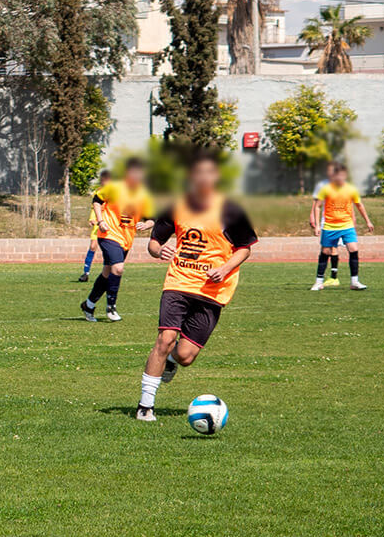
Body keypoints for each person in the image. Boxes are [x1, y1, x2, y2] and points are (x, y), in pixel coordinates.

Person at [134, 150, 257, 422]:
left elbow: (245, 249)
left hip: (213, 290)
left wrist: (224, 268)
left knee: (186, 355)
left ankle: (169, 363)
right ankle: (145, 406)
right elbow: (154, 242)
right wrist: (158, 251)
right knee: (165, 339)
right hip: (179, 282)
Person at [81, 158, 153, 322]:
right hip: (108, 235)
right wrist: (101, 221)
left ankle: (89, 305)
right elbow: (97, 201)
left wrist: (147, 224)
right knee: (118, 268)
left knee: (108, 272)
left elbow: (151, 217)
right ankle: (111, 307)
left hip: (126, 239)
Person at [311, 162, 373, 291]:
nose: (340, 177)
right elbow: (317, 207)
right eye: (337, 175)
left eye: (342, 175)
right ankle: (318, 281)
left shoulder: (351, 189)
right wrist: (317, 225)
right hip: (329, 226)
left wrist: (368, 221)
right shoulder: (326, 189)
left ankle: (354, 282)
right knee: (325, 252)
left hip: (346, 225)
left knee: (353, 249)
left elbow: (359, 205)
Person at [77, 170, 112, 281]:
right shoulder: (98, 192)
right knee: (93, 246)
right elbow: (94, 207)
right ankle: (86, 273)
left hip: (111, 226)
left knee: (109, 249)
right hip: (98, 224)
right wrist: (92, 219)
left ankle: (110, 273)